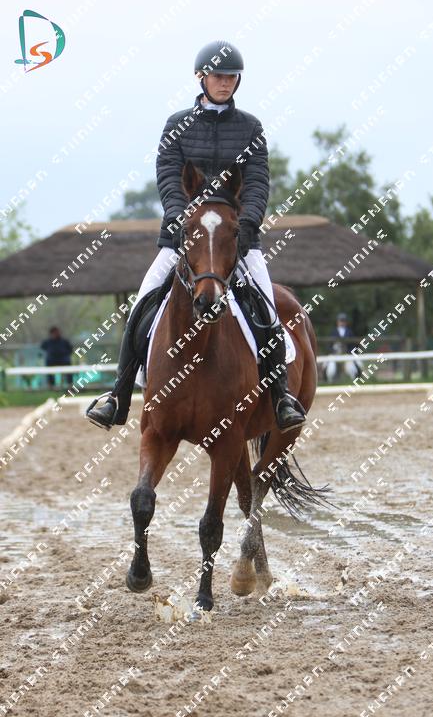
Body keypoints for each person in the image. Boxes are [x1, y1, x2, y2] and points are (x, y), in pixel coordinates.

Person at [86, 40, 305, 432]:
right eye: (218, 76)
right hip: (183, 239)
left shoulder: (251, 127)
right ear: (201, 78)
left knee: (269, 311)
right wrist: (177, 217)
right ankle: (118, 397)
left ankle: (281, 397)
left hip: (237, 240)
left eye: (231, 77)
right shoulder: (177, 124)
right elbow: (169, 175)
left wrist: (247, 225)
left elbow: (257, 183)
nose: (225, 82)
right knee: (141, 306)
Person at [324, 313, 361, 382]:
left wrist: (349, 352)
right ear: (337, 322)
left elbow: (353, 345)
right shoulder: (333, 332)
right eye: (341, 321)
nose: (342, 323)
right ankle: (326, 379)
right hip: (335, 354)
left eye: (343, 321)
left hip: (347, 354)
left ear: (346, 322)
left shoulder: (350, 332)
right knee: (328, 367)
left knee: (355, 366)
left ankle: (357, 377)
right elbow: (328, 345)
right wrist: (333, 351)